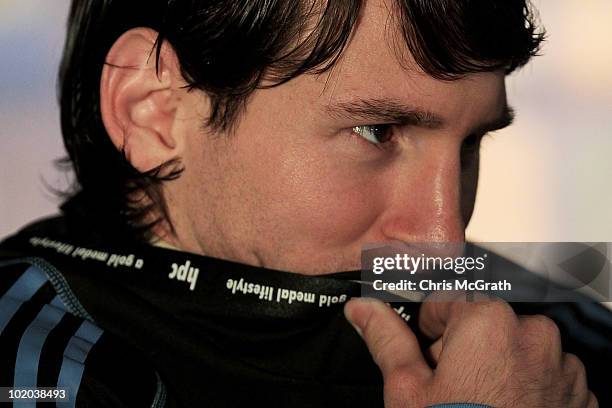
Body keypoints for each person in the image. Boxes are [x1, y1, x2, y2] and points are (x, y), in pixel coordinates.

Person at [1, 0, 610, 406]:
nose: (441, 238)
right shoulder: (37, 368)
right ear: (154, 111)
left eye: (471, 141)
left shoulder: (542, 332)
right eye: (378, 131)